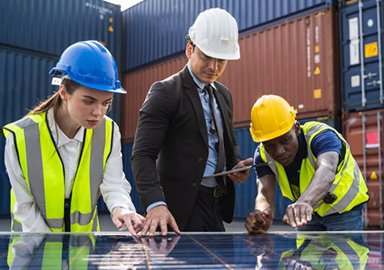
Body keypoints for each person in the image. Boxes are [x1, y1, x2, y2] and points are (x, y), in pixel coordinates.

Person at [131, 8, 253, 235]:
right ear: (190, 49)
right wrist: (155, 204)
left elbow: (230, 142)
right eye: (207, 57)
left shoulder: (224, 95)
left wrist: (235, 165)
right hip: (177, 210)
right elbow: (142, 154)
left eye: (221, 60)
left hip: (216, 206)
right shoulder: (164, 92)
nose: (213, 67)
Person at [3, 40, 144, 235]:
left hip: (82, 254)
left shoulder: (109, 131)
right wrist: (53, 249)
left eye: (106, 103)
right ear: (63, 92)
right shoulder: (22, 136)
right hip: (30, 254)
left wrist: (122, 208)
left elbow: (114, 184)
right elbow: (25, 206)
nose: (98, 112)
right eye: (89, 101)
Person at [245, 95, 369, 233]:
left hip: (344, 211)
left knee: (346, 254)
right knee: (307, 255)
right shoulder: (263, 155)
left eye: (285, 140)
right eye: (270, 145)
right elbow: (264, 192)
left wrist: (304, 202)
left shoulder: (322, 136)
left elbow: (327, 169)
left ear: (297, 128)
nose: (279, 151)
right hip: (308, 214)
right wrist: (262, 215)